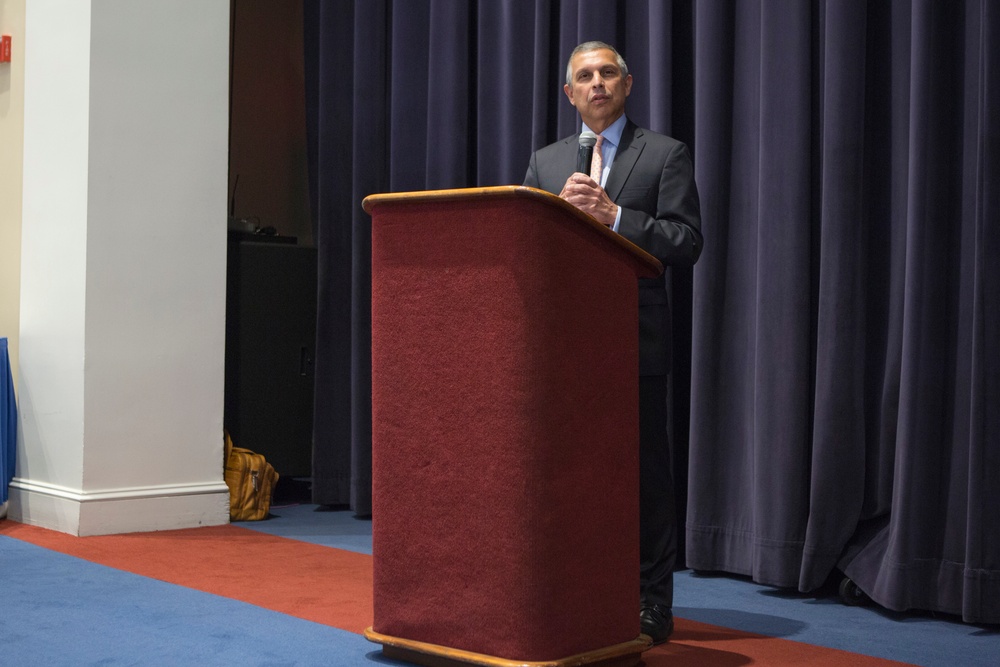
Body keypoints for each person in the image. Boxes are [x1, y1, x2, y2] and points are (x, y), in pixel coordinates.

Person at [523, 41, 703, 644]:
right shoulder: (545, 162)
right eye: (584, 76)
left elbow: (685, 242)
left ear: (626, 85)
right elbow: (526, 246)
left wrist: (616, 215)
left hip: (634, 341)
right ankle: (576, 589)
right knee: (567, 476)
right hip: (561, 350)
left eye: (607, 73)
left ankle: (652, 602)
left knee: (645, 480)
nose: (597, 83)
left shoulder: (665, 154)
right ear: (570, 94)